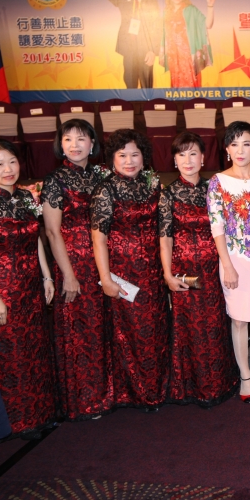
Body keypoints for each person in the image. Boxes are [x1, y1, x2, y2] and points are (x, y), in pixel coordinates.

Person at [0, 138, 56, 438]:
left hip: (32, 284)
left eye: (12, 162)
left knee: (36, 348)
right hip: (5, 287)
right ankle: (20, 419)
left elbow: (36, 239)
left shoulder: (26, 197)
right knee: (14, 354)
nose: (8, 169)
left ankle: (42, 411)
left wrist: (47, 277)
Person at [159, 132, 238, 407]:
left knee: (215, 324)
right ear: (174, 160)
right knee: (190, 329)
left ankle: (219, 383)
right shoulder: (168, 194)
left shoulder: (214, 188)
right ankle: (192, 387)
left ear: (203, 158)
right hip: (185, 273)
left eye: (193, 153)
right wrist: (168, 275)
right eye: (181, 154)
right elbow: (165, 238)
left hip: (214, 269)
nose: (188, 160)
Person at [91, 129, 168, 411]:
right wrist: (105, 278)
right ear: (112, 158)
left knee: (155, 330)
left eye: (135, 155)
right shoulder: (105, 190)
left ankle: (156, 387)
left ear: (143, 157)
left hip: (153, 272)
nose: (129, 161)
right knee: (131, 333)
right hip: (124, 273)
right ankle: (136, 392)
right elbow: (98, 239)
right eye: (122, 155)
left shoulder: (152, 185)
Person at [43, 119, 113, 421]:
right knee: (80, 332)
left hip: (103, 261)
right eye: (68, 139)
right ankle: (84, 400)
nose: (75, 145)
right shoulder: (55, 180)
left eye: (81, 138)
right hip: (74, 264)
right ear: (60, 144)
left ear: (92, 143)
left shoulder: (101, 175)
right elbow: (52, 232)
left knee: (102, 328)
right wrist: (69, 275)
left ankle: (106, 392)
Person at [208, 121, 250, 403]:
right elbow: (217, 227)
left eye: (246, 144)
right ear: (227, 149)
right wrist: (227, 266)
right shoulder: (218, 181)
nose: (240, 150)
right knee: (237, 320)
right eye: (234, 144)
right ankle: (245, 376)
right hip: (233, 258)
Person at [93, 0, 161, 89]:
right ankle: (131, 99)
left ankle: (147, 100)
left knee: (147, 85)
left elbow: (157, 27)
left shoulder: (151, 1)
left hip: (146, 49)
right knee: (130, 83)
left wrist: (153, 51)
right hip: (129, 49)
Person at [161, 0, 215, 88]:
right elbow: (163, 34)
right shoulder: (166, 12)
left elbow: (208, 24)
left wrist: (210, 5)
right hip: (173, 56)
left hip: (188, 55)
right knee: (175, 87)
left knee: (191, 85)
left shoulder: (191, 10)